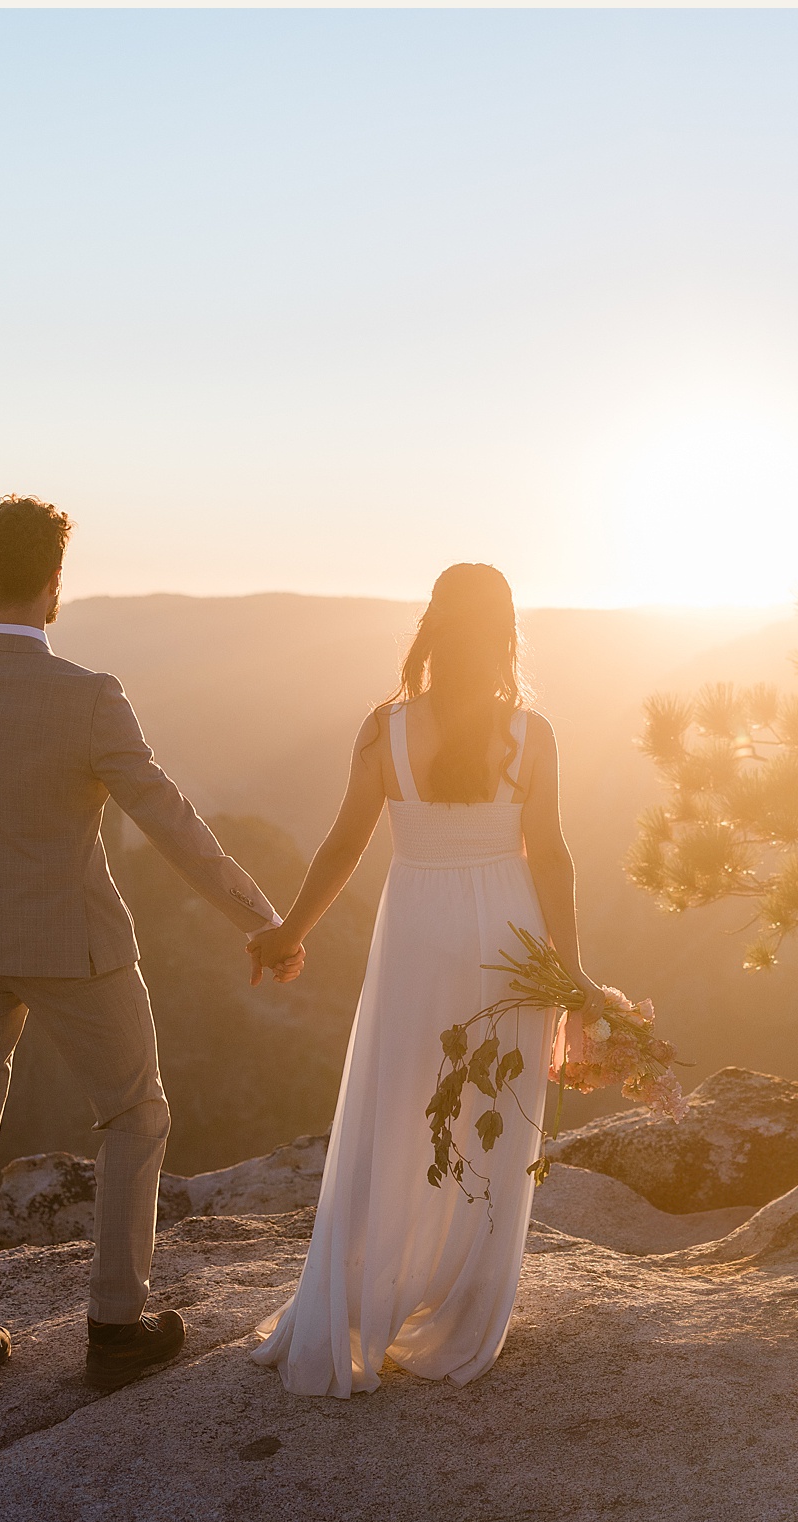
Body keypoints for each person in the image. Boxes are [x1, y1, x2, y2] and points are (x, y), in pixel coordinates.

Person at [0, 494, 300, 1392]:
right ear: (56, 584)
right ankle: (115, 1322)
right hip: (75, 943)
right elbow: (171, 819)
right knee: (135, 1111)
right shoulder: (88, 699)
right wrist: (259, 917)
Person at [245, 562, 594, 1397]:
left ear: (432, 628)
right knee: (494, 1124)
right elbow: (550, 857)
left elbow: (342, 844)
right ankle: (465, 1310)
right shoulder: (531, 733)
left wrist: (289, 931)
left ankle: (367, 1292)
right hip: (507, 933)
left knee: (397, 1105)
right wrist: (573, 979)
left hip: (414, 932)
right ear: (506, 634)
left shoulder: (385, 728)